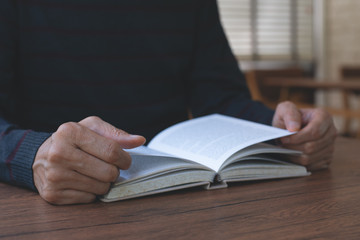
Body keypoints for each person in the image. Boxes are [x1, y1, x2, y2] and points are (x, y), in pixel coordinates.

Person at [0, 0, 337, 205]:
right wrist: (31, 155)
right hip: (52, 203)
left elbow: (221, 97)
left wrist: (280, 129)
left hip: (181, 191)